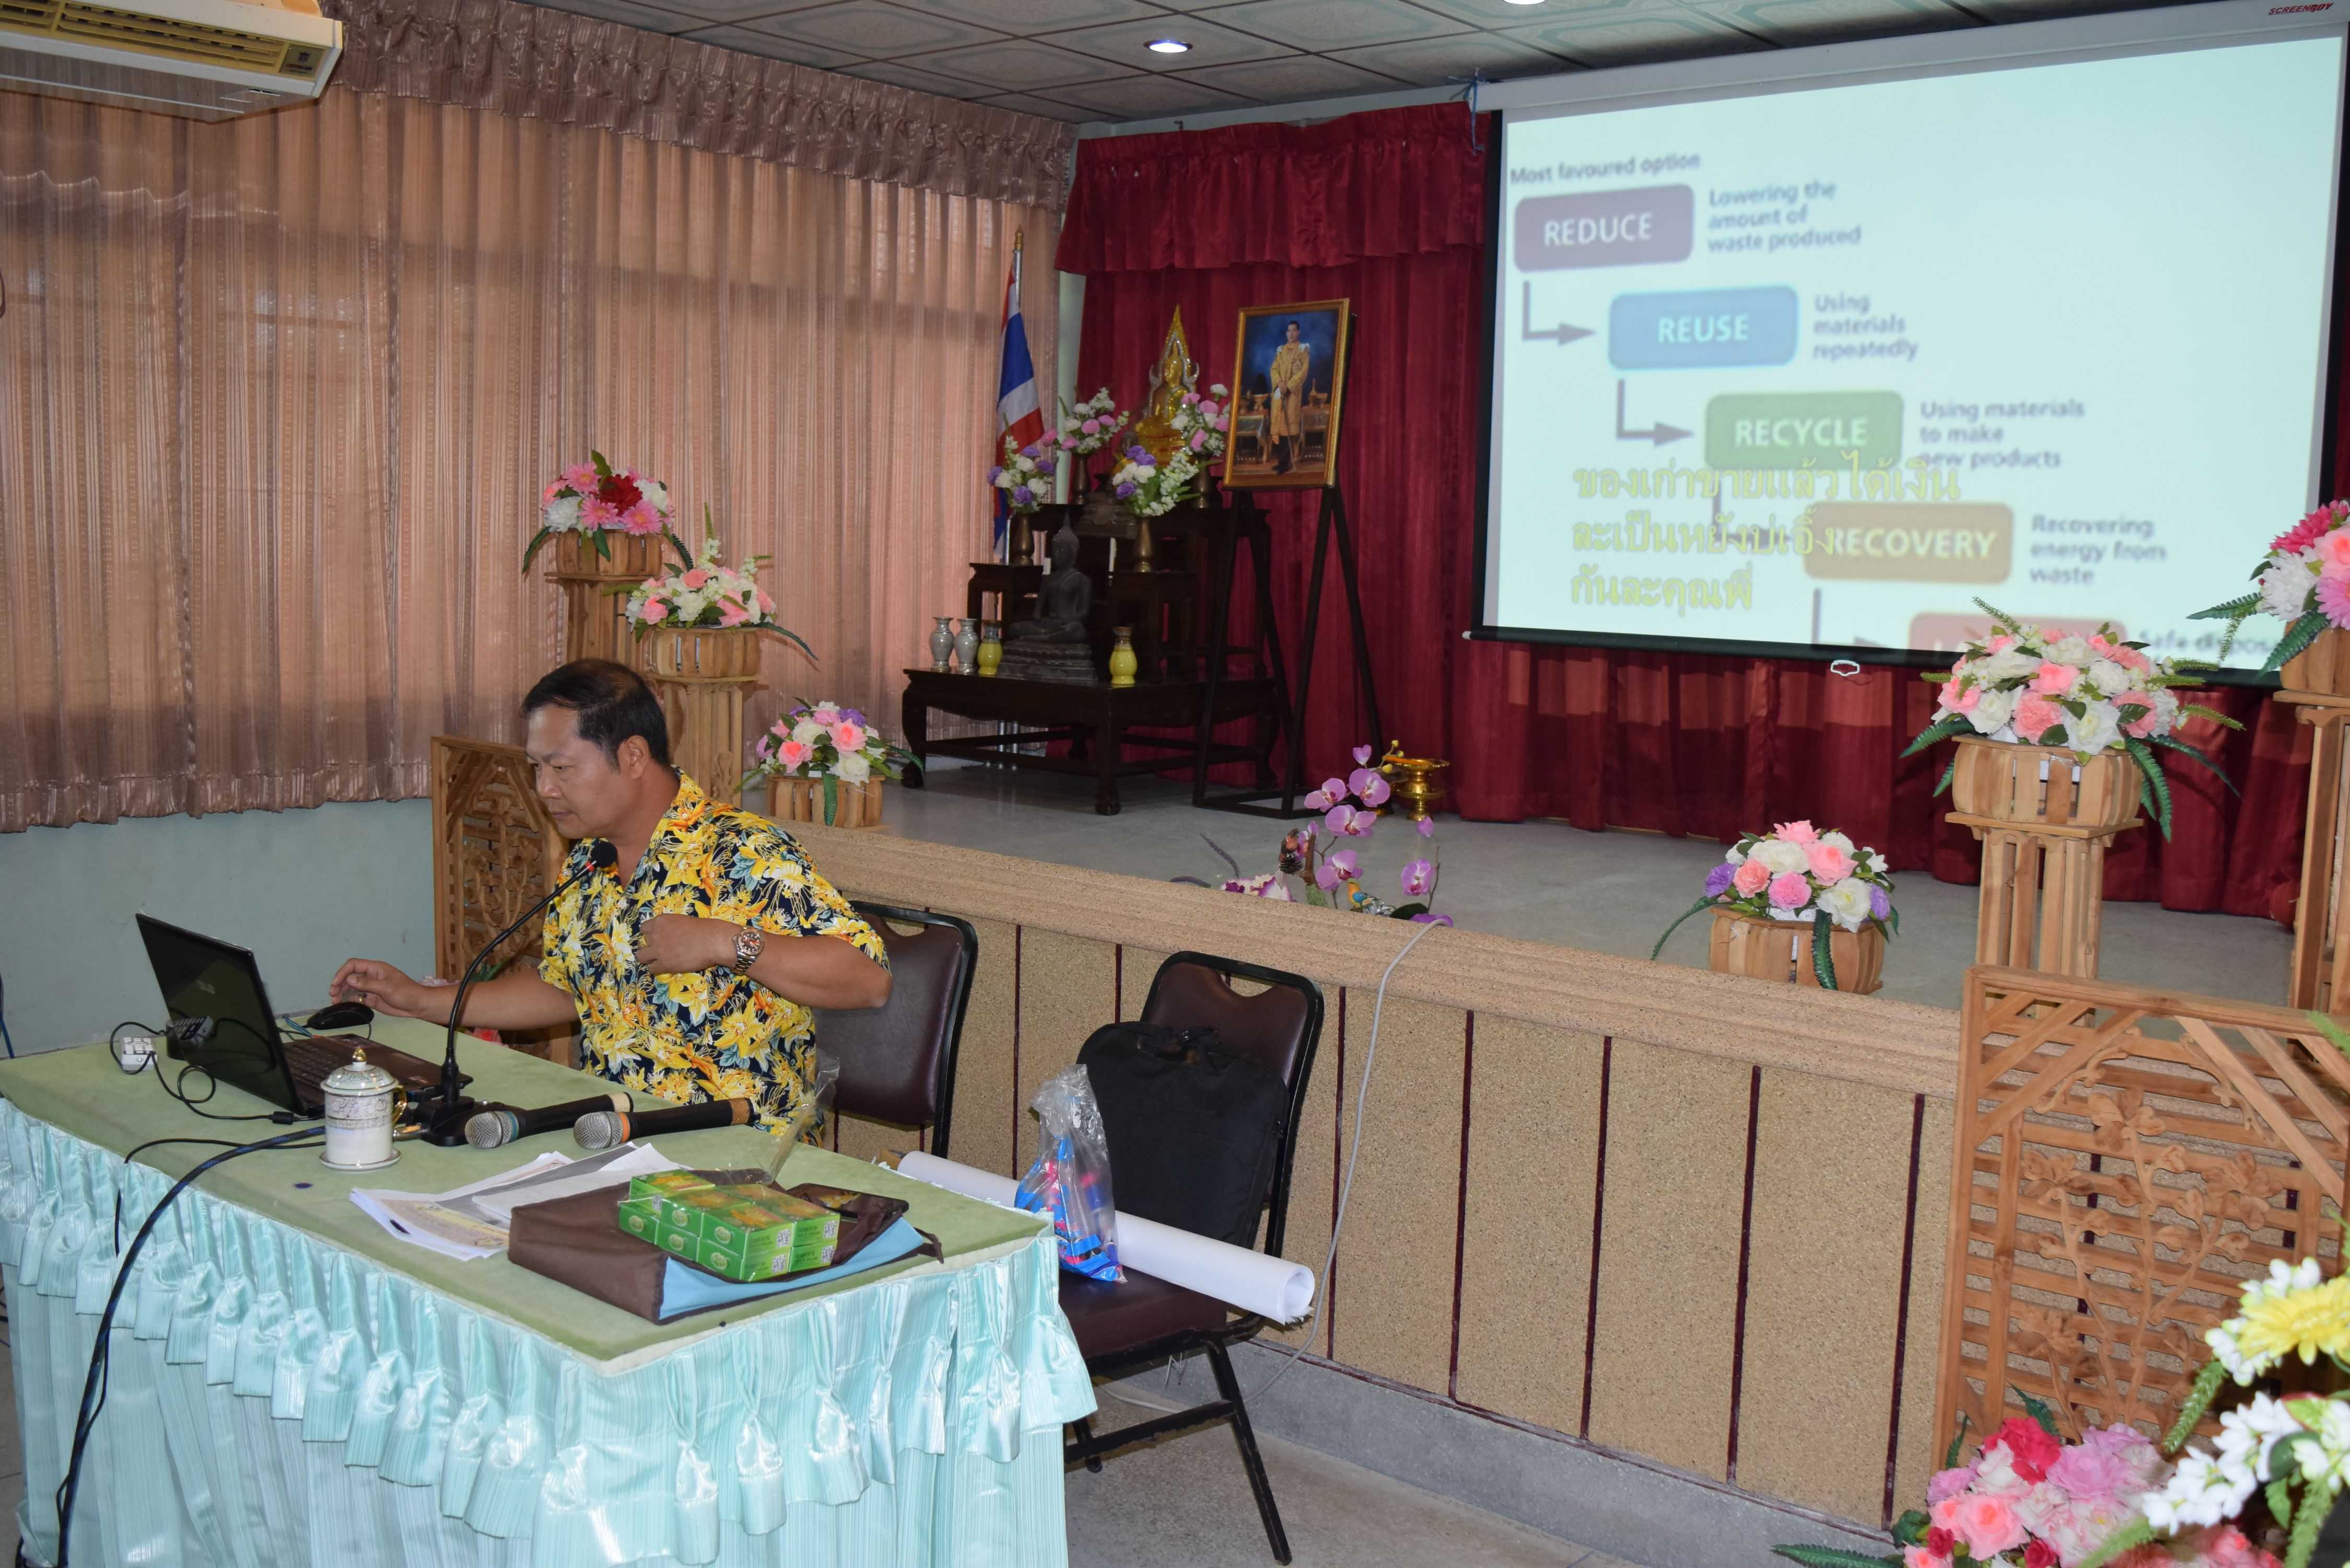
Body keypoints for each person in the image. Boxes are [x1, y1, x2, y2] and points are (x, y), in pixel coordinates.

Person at [331, 660, 890, 1138]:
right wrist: (423, 1001)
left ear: (633, 756)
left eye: (561, 768)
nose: (545, 789)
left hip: (739, 1154)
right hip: (612, 1136)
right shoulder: (589, 861)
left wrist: (727, 943)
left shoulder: (739, 851)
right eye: (536, 768)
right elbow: (566, 989)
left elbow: (868, 980)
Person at [1268, 320, 1310, 474]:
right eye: (1289, 330)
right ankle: (1282, 462)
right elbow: (1274, 369)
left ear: (1298, 332)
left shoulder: (1303, 350)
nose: (1291, 333)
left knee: (1289, 428)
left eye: (1294, 330)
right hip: (1280, 393)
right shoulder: (1281, 351)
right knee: (1280, 429)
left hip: (1292, 395)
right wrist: (1279, 382)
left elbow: (1303, 372)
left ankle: (1287, 463)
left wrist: (1289, 386)